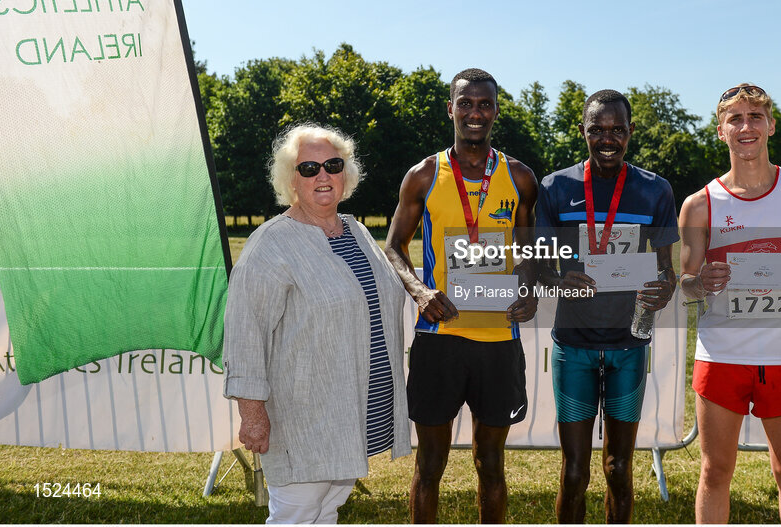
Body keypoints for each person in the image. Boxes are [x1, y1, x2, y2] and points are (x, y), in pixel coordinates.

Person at [223, 124, 411, 524]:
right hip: (302, 420)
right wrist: (252, 414)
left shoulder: (356, 232)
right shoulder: (271, 244)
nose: (322, 176)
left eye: (332, 165)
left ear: (346, 173)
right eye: (309, 168)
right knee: (295, 514)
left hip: (351, 412)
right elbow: (245, 335)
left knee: (328, 511)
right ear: (291, 179)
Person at [678, 83, 781, 524]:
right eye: (735, 118)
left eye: (755, 116)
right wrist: (701, 282)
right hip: (721, 355)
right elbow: (686, 285)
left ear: (770, 125)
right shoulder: (698, 205)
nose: (745, 126)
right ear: (721, 131)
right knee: (715, 472)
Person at [384, 68, 539, 523]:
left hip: (498, 342)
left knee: (491, 464)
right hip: (440, 336)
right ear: (450, 108)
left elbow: (531, 250)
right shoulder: (424, 174)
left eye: (485, 104)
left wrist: (528, 289)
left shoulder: (520, 176)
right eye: (466, 103)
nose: (475, 112)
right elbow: (393, 246)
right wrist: (419, 289)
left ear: (496, 110)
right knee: (430, 464)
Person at [535, 89, 678, 523]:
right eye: (597, 129)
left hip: (628, 346)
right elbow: (537, 266)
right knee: (575, 473)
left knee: (618, 470)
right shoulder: (555, 187)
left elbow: (667, 269)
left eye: (617, 129)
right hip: (573, 345)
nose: (607, 138)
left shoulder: (655, 190)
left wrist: (666, 288)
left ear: (631, 131)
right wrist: (558, 279)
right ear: (583, 132)